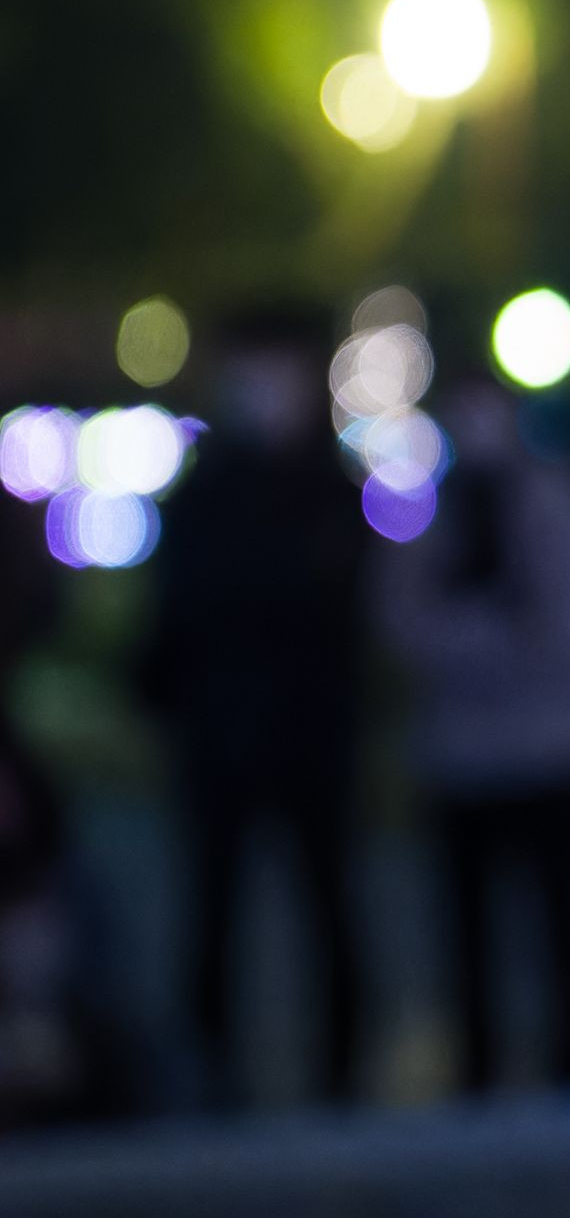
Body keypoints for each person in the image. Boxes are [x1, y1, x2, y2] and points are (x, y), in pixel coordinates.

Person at [376, 364, 570, 1090]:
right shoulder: (424, 506)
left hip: (561, 752)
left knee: (567, 923)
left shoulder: (561, 496)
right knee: (467, 934)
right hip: (461, 759)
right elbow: (401, 621)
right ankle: (480, 1071)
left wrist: (485, 642)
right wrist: (498, 639)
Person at [140, 305, 370, 1107]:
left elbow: (352, 611)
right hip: (220, 735)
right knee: (213, 909)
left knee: (329, 903)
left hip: (312, 734)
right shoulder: (204, 492)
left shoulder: (333, 490)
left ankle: (342, 1068)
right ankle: (209, 1067)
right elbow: (175, 613)